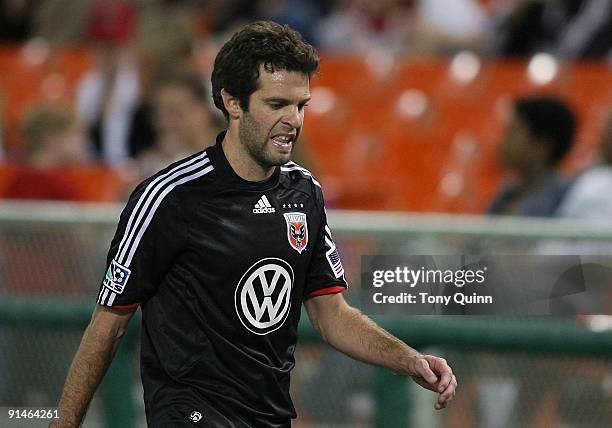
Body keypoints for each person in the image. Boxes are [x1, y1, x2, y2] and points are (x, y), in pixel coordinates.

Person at [52, 21, 456, 427]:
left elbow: (331, 314)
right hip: (189, 414)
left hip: (269, 416)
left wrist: (408, 359)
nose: (294, 120)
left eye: (301, 106)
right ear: (233, 102)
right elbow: (107, 327)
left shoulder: (305, 193)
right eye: (277, 104)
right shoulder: (169, 198)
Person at [487, 96, 576, 217]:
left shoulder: (565, 198)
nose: (504, 141)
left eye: (514, 132)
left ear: (542, 146)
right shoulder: (507, 191)